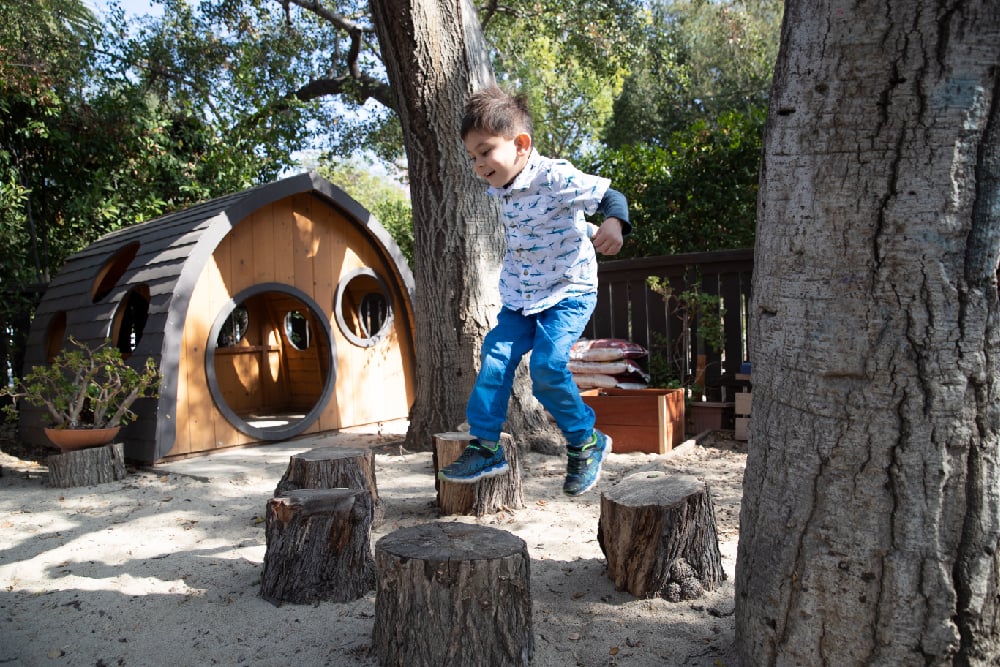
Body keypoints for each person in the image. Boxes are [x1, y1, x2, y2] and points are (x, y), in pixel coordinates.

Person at [438, 85, 631, 496]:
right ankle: (486, 446)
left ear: (521, 144)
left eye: (485, 151)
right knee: (494, 359)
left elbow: (611, 196)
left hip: (568, 292)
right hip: (520, 297)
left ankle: (586, 439)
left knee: (546, 370)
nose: (478, 165)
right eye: (472, 156)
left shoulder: (554, 175)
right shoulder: (502, 187)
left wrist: (614, 224)